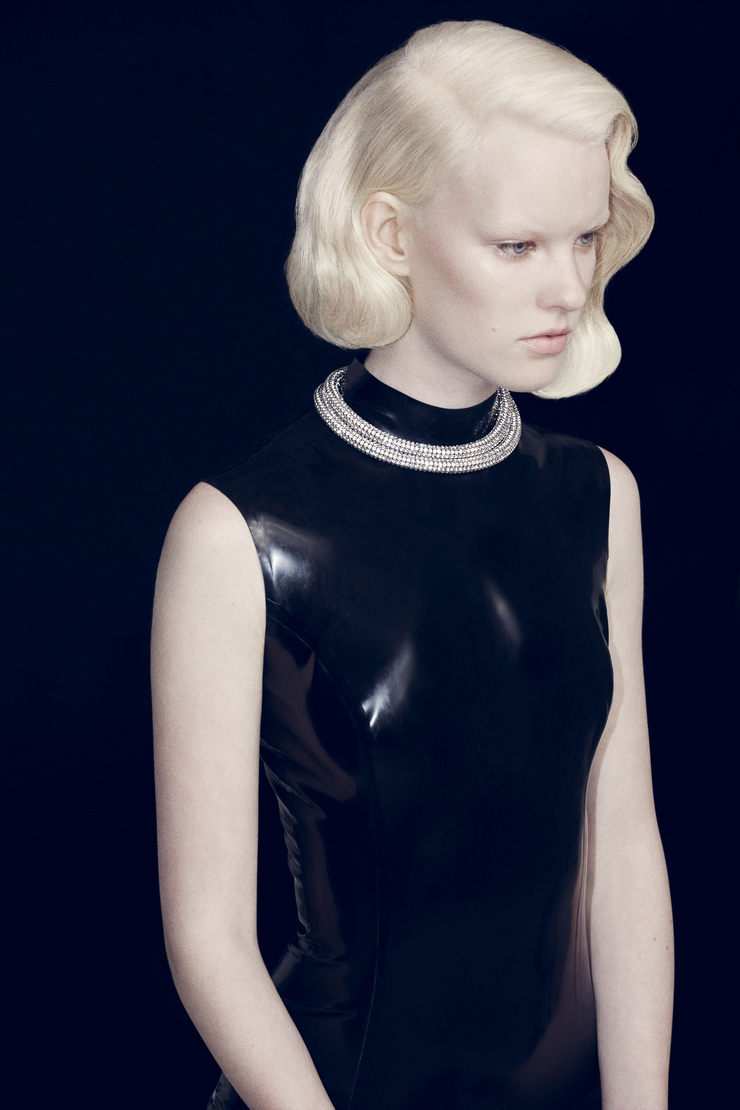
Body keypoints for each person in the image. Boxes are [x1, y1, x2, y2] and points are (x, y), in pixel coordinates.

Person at [151, 20, 673, 1110]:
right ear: (390, 235)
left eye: (585, 237)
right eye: (517, 245)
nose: (568, 286)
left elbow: (622, 851)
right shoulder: (237, 534)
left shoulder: (598, 496)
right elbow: (208, 937)